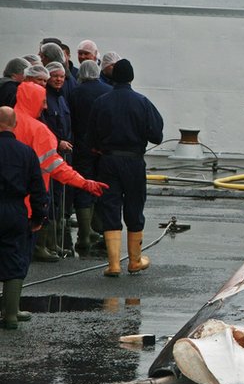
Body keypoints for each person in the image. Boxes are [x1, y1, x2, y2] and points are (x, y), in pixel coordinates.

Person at [12, 83, 107, 263]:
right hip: (28, 203)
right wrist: (85, 183)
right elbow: (57, 167)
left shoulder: (7, 122)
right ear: (33, 101)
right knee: (17, 262)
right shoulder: (39, 131)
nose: (46, 106)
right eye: (43, 101)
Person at [87, 59, 163, 277]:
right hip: (133, 161)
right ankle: (134, 261)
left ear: (112, 77)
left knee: (110, 207)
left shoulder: (101, 102)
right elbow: (156, 135)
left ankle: (113, 264)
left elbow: (90, 137)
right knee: (134, 207)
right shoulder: (142, 102)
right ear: (131, 77)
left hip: (108, 161)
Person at [0, 106, 47, 330]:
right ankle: (10, 314)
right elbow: (38, 190)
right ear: (15, 125)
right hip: (13, 210)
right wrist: (38, 217)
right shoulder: (26, 152)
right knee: (14, 260)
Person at [68, 60, 112, 255]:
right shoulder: (107, 90)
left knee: (83, 186)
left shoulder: (74, 92)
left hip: (80, 147)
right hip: (102, 148)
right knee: (100, 185)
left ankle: (84, 235)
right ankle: (99, 228)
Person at [41, 62, 75, 256]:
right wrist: (58, 142)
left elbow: (67, 124)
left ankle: (52, 243)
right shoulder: (45, 98)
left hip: (62, 154)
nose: (59, 79)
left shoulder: (61, 98)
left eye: (62, 76)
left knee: (57, 197)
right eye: (55, 76)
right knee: (50, 196)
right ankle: (46, 244)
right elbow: (45, 127)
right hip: (51, 153)